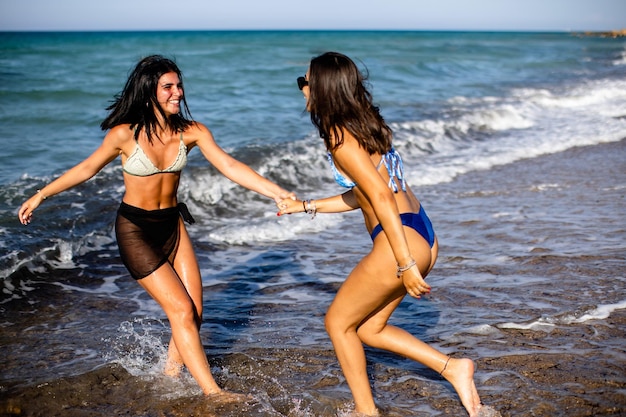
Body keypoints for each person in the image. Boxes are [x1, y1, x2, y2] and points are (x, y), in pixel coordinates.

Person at [19, 55, 294, 398]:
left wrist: (276, 192)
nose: (177, 93)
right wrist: (41, 195)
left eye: (179, 86)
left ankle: (170, 375)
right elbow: (86, 169)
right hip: (136, 230)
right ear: (150, 91)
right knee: (180, 309)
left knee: (194, 312)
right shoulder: (124, 134)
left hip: (172, 226)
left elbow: (230, 165)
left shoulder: (192, 131)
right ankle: (213, 392)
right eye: (168, 87)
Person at [277, 52, 485, 416]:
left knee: (337, 324)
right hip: (423, 233)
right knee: (369, 329)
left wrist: (405, 263)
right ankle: (454, 368)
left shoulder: (340, 137)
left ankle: (365, 412)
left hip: (399, 242)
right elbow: (363, 195)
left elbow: (380, 197)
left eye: (305, 81)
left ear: (323, 87)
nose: (302, 88)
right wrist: (306, 205)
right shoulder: (365, 124)